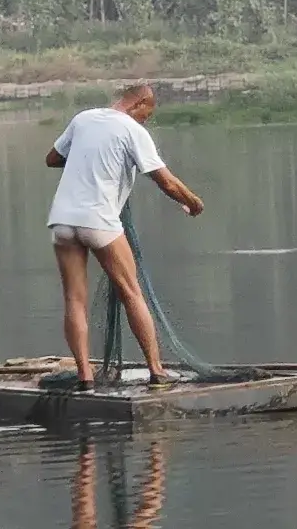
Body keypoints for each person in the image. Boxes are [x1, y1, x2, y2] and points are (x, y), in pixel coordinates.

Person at [45, 79, 201, 384]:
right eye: (147, 114)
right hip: (99, 220)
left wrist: (87, 157)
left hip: (62, 220)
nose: (146, 120)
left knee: (74, 300)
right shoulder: (133, 131)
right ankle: (156, 371)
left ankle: (85, 377)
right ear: (139, 104)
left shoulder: (83, 119)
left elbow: (52, 159)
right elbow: (166, 182)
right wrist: (194, 203)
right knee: (131, 292)